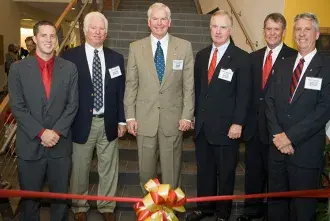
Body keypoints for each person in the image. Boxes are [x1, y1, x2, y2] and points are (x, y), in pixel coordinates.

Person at [8, 20, 79, 221]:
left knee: (60, 202)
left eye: (52, 36)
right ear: (34, 39)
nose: (49, 40)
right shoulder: (18, 69)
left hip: (60, 145)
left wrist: (55, 132)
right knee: (30, 203)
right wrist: (41, 133)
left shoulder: (70, 68)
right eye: (43, 35)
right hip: (30, 145)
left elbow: (72, 105)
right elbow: (18, 107)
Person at [186, 10, 251, 221]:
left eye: (223, 27)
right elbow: (198, 89)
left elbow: (244, 95)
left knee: (225, 174)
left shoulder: (241, 58)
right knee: (204, 171)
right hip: (203, 127)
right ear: (209, 28)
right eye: (214, 26)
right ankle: (205, 208)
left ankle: (223, 213)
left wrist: (238, 123)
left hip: (227, 128)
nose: (218, 31)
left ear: (230, 30)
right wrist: (194, 116)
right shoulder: (202, 55)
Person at [265, 13, 330, 221]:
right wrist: (278, 135)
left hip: (306, 153)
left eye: (307, 29)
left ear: (317, 34)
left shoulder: (327, 67)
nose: (302, 34)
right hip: (277, 151)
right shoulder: (283, 64)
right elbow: (270, 102)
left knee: (302, 211)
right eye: (298, 29)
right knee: (276, 209)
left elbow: (324, 110)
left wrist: (289, 137)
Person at [62, 11, 126, 221]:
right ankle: (79, 206)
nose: (98, 32)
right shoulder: (70, 57)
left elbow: (120, 92)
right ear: (85, 29)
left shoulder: (116, 58)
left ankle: (107, 206)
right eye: (94, 28)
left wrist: (121, 119)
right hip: (81, 122)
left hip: (108, 121)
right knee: (80, 167)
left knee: (109, 167)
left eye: (102, 29)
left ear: (106, 32)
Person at [124, 2, 194, 190]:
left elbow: (189, 86)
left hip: (173, 120)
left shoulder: (184, 47)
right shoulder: (136, 48)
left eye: (163, 19)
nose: (159, 23)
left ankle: (170, 212)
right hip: (144, 119)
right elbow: (131, 84)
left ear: (169, 22)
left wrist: (187, 115)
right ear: (148, 22)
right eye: (155, 18)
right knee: (146, 172)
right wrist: (130, 116)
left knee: (172, 171)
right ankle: (149, 212)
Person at [238, 13, 297, 221]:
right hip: (254, 128)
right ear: (264, 31)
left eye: (276, 29)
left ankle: (273, 215)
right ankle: (251, 211)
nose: (272, 33)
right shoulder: (253, 57)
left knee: (276, 177)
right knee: (252, 174)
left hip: (277, 130)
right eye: (268, 29)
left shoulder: (293, 57)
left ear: (283, 31)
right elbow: (246, 92)